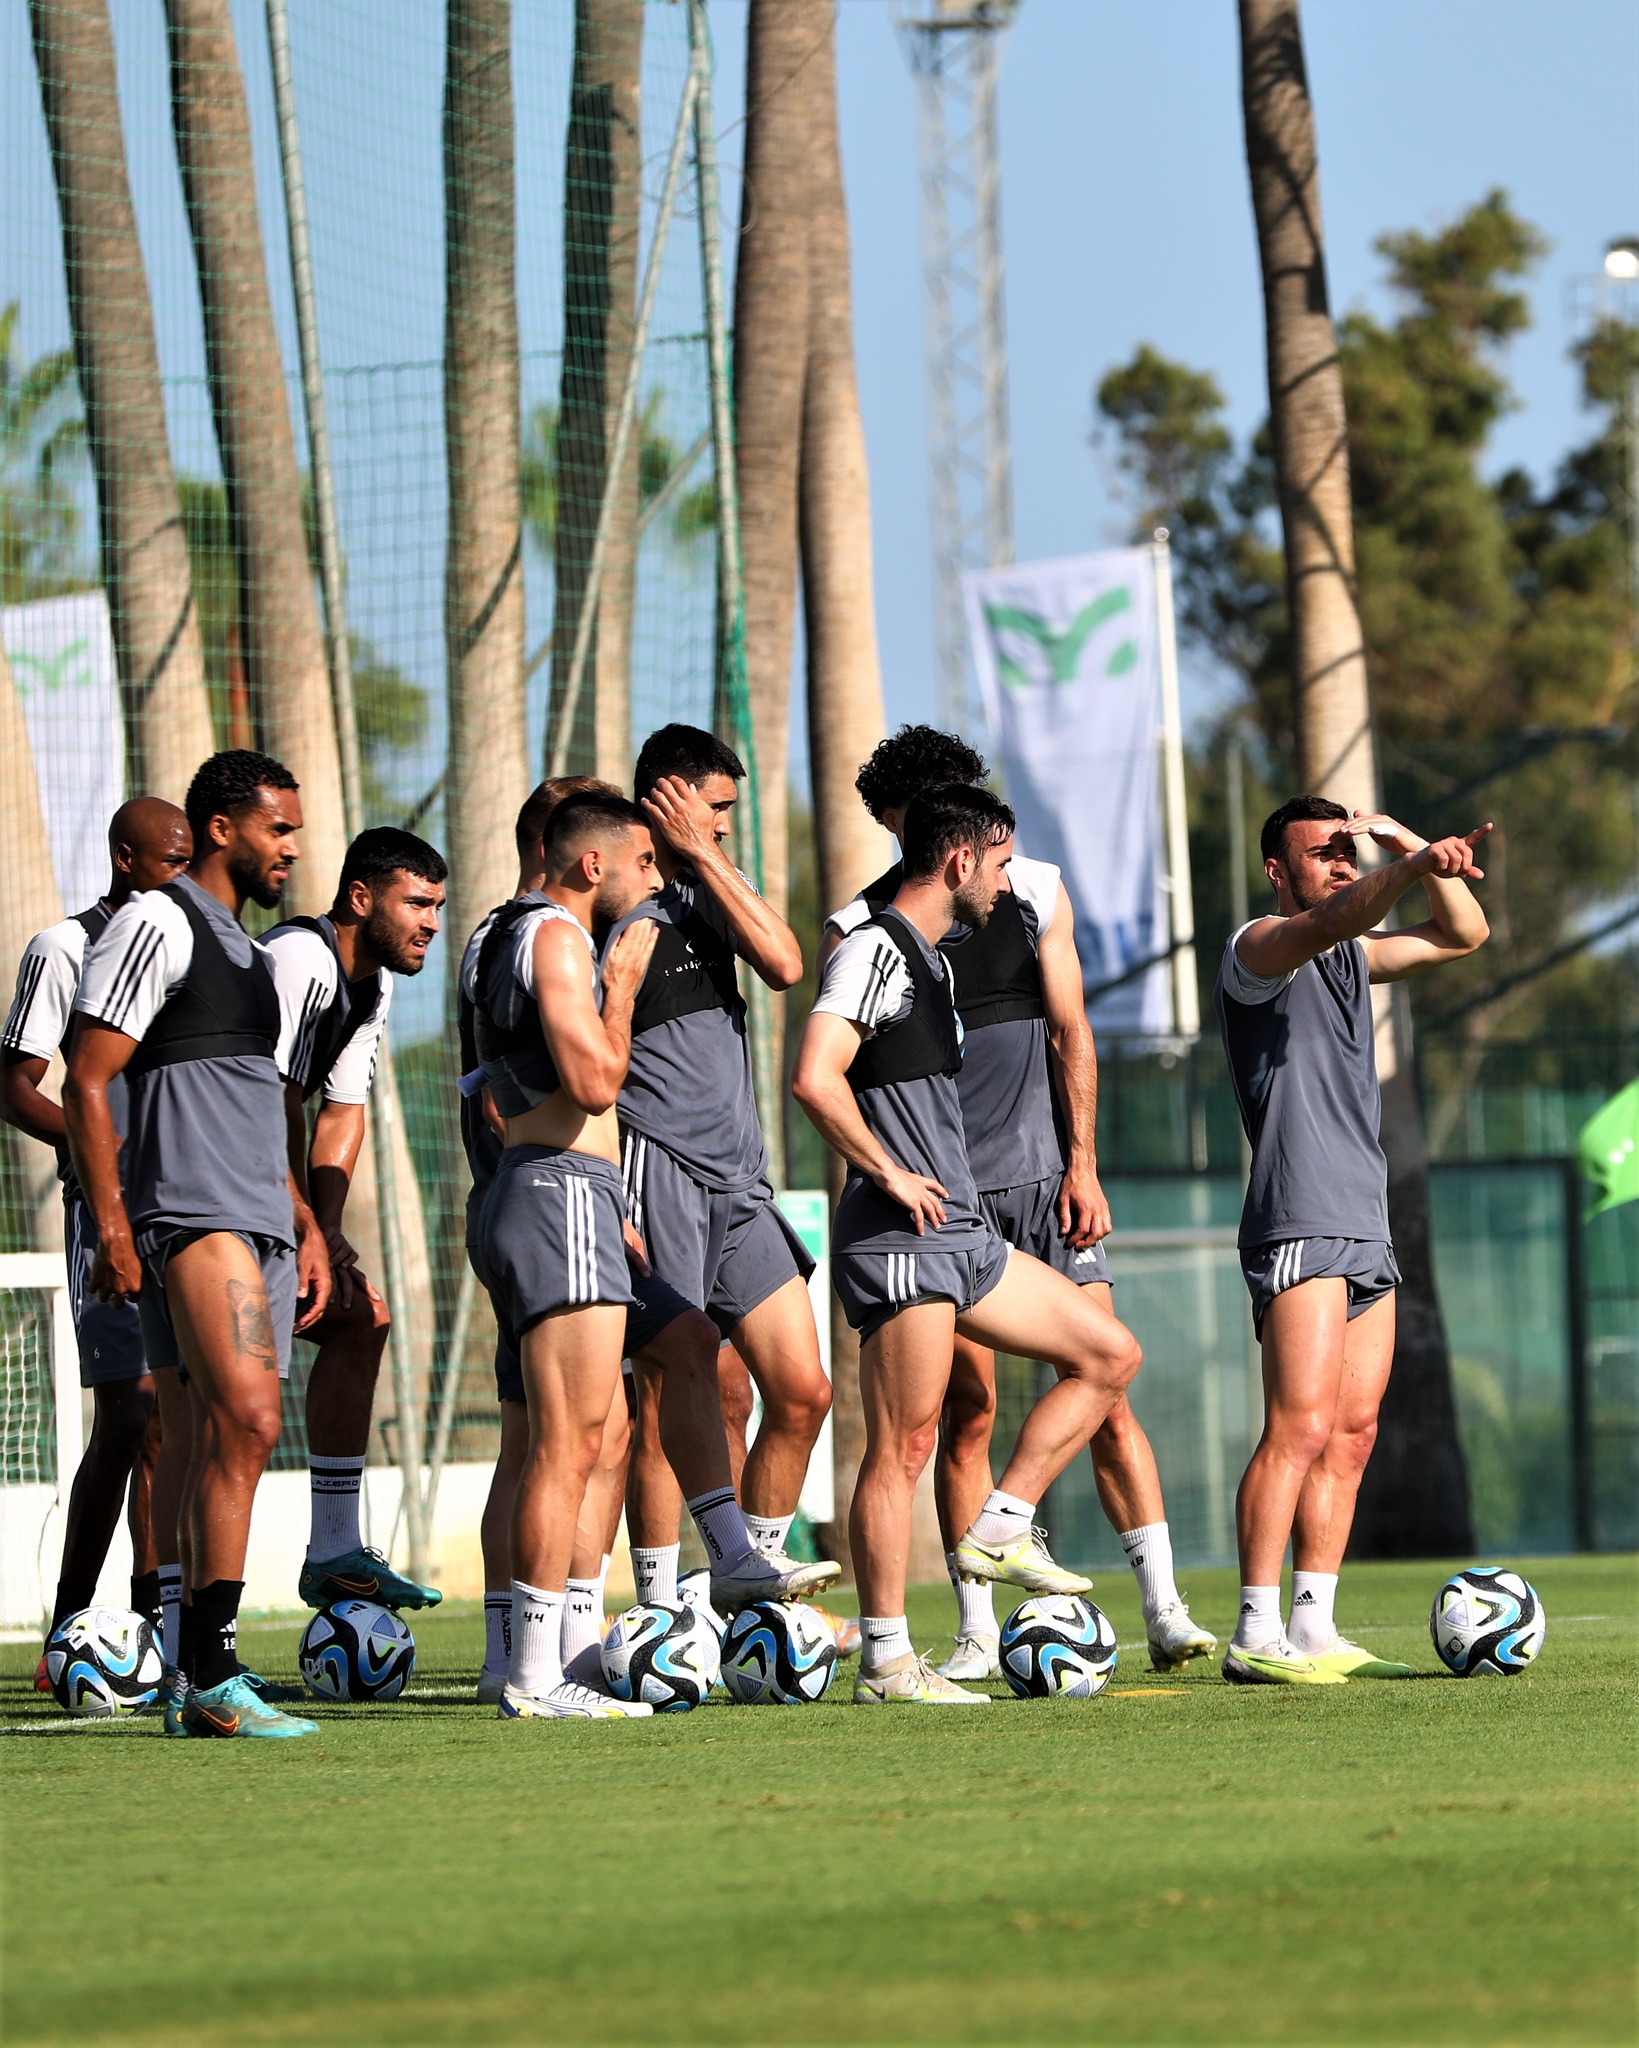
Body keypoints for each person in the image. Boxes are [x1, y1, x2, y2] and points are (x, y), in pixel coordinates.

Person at [825, 727, 1215, 1677]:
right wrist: (889, 1176)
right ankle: (968, 1636)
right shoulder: (863, 931)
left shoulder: (1028, 887)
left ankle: (1163, 1609)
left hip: (1044, 1186)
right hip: (940, 1207)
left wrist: (1082, 1163)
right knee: (959, 1415)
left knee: (1107, 1381)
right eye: (910, 816)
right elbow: (827, 1074)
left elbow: (1070, 1030)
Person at [792, 785, 1142, 1704]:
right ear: (959, 861)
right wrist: (886, 1171)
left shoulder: (931, 958)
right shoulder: (872, 949)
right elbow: (813, 1076)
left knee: (1108, 1354)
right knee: (903, 1447)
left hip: (960, 1233)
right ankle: (885, 1663)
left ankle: (1002, 1524)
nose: (1005, 879)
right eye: (997, 862)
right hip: (902, 1236)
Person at [470, 790, 816, 1721]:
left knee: (688, 1341)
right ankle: (533, 1675)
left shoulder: (497, 932)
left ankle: (731, 1554)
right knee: (570, 1443)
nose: (655, 877)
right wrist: (619, 991)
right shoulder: (555, 936)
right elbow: (593, 1082)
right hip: (557, 1193)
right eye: (644, 861)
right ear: (594, 865)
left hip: (562, 1194)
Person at [64, 750, 329, 1740]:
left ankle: (186, 1675)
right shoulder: (157, 920)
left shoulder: (248, 954)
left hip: (254, 1216)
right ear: (222, 828)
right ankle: (215, 1670)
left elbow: (256, 1101)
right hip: (191, 1213)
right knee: (250, 1421)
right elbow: (88, 1077)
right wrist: (113, 1226)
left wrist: (302, 1221)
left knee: (203, 1437)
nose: (291, 847)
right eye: (277, 828)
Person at [1215, 794, 1491, 1685]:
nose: (1339, 863)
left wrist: (1417, 847)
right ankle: (1253, 1631)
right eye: (1321, 852)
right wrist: (1408, 867)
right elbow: (1334, 916)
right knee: (1296, 1426)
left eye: (1348, 850)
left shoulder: (1350, 958)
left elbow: (1464, 935)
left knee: (1351, 1430)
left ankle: (1312, 1627)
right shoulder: (1259, 947)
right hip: (1297, 1213)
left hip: (1363, 1218)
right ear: (1277, 870)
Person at [615, 724, 839, 1598]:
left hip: (741, 1184)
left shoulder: (710, 886)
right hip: (658, 1169)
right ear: (668, 798)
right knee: (663, 1402)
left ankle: (748, 1577)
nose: (724, 824)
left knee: (801, 1390)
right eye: (715, 808)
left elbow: (783, 963)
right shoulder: (614, 898)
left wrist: (705, 857)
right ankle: (660, 1608)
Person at [2, 799, 191, 1685]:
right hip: (107, 1211)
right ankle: (68, 1630)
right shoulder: (64, 946)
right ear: (124, 856)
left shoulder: (192, 947)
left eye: (188, 860)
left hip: (187, 1209)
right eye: (167, 859)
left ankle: (161, 1630)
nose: (180, 875)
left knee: (173, 1417)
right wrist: (98, 1151)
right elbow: (17, 1086)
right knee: (132, 1411)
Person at [261, 825, 449, 1614]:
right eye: (416, 904)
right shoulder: (298, 959)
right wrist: (303, 1224)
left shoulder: (372, 985)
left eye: (437, 907)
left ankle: (334, 1550)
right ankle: (162, 1626)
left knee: (359, 1317)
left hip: (265, 1193)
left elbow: (341, 1111)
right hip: (197, 1189)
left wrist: (326, 1231)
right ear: (362, 897)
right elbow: (265, 1098)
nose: (430, 923)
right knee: (175, 1418)